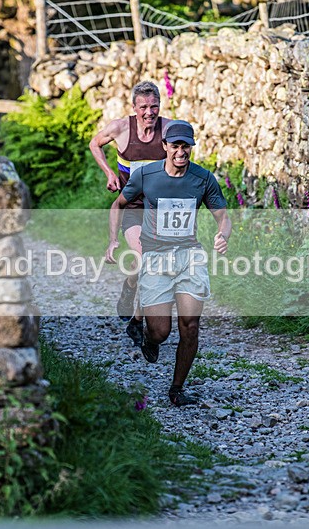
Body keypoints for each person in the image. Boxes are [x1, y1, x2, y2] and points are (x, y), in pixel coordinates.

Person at [105, 120, 232, 407]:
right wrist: (113, 239)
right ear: (164, 147)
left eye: (185, 146)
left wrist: (222, 235)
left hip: (190, 257)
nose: (180, 152)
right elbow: (118, 205)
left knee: (190, 325)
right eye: (175, 146)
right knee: (161, 332)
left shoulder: (203, 178)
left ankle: (177, 388)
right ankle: (149, 339)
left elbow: (222, 216)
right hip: (156, 257)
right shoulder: (146, 175)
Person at [89, 81, 171, 346]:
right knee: (144, 258)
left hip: (160, 210)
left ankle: (132, 290)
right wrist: (109, 172)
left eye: (154, 105)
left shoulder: (168, 129)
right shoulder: (121, 128)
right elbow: (94, 143)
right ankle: (138, 318)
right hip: (133, 208)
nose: (149, 112)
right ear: (134, 107)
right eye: (144, 107)